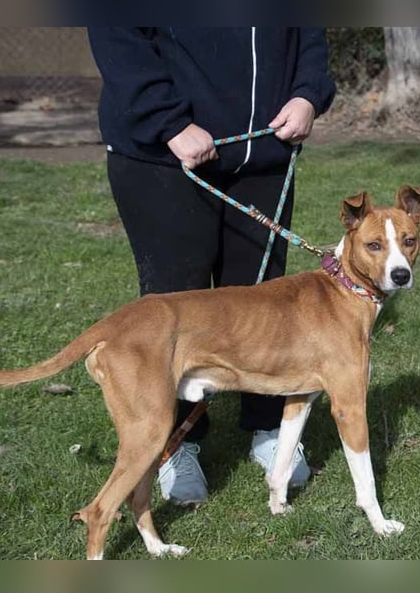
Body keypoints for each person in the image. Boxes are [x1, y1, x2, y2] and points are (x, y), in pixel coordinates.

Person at [87, 27, 336, 506]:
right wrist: (169, 122)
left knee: (266, 306)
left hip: (263, 151)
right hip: (163, 156)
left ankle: (268, 429)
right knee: (176, 304)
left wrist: (308, 94)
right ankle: (176, 445)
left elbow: (308, 28)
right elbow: (116, 30)